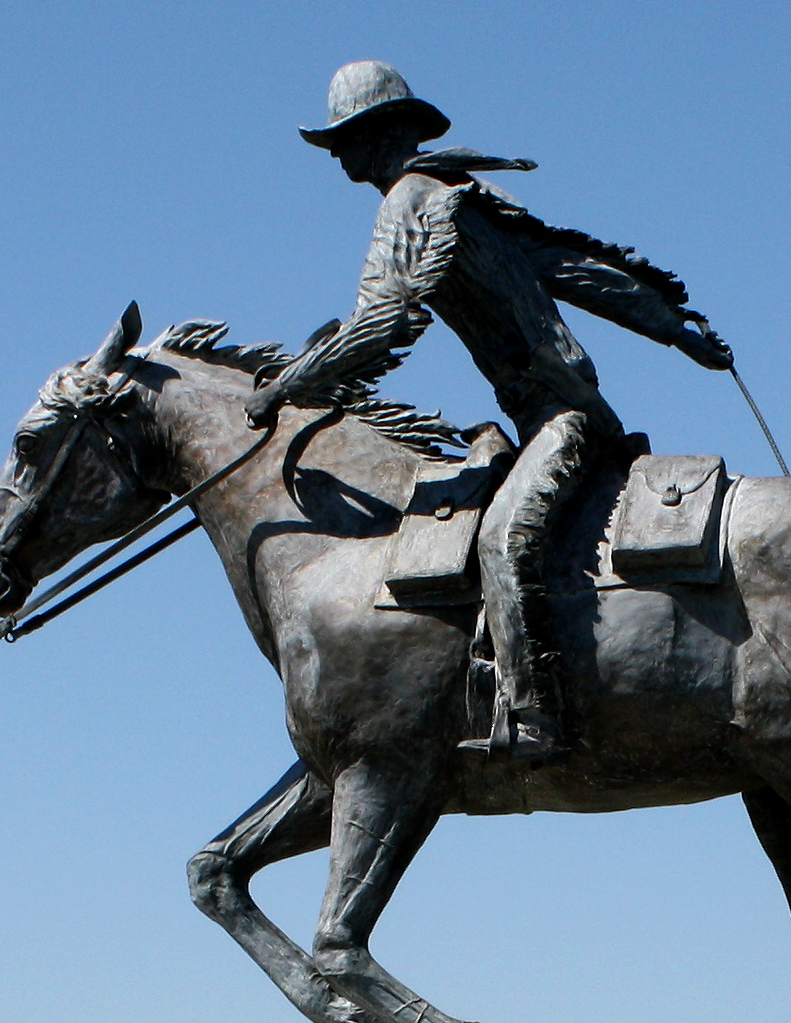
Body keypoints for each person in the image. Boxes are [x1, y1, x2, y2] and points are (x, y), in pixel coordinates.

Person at [246, 61, 734, 760]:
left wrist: (287, 384)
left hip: (560, 417)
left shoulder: (411, 200)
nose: (339, 156)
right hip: (539, 414)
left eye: (345, 138)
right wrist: (674, 325)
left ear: (381, 133)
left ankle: (536, 713)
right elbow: (572, 267)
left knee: (503, 541)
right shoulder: (456, 195)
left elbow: (382, 323)